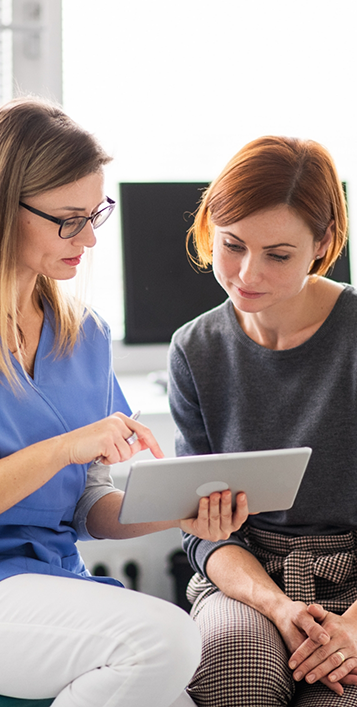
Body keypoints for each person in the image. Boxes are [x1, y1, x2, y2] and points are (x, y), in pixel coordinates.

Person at [0, 97, 250, 707]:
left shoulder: (82, 336)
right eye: (67, 218)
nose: (87, 237)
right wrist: (62, 448)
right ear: (1, 210)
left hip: (48, 581)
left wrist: (176, 511)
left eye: (95, 214)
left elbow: (90, 505)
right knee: (164, 638)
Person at [168, 135, 357, 707]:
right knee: (235, 675)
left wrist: (351, 627)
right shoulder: (194, 349)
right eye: (231, 245)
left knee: (338, 691)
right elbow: (204, 536)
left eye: (278, 255)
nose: (248, 274)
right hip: (246, 578)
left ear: (322, 242)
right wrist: (276, 605)